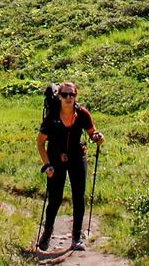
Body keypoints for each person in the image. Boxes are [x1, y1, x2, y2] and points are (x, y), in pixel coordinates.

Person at [35, 81, 103, 252]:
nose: (68, 98)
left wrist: (97, 137)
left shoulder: (82, 114)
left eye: (71, 95)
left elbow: (91, 132)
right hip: (56, 159)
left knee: (78, 196)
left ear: (75, 96)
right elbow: (40, 142)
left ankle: (77, 237)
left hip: (77, 156)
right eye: (65, 94)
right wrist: (47, 164)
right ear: (59, 96)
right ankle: (47, 233)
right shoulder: (52, 117)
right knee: (55, 197)